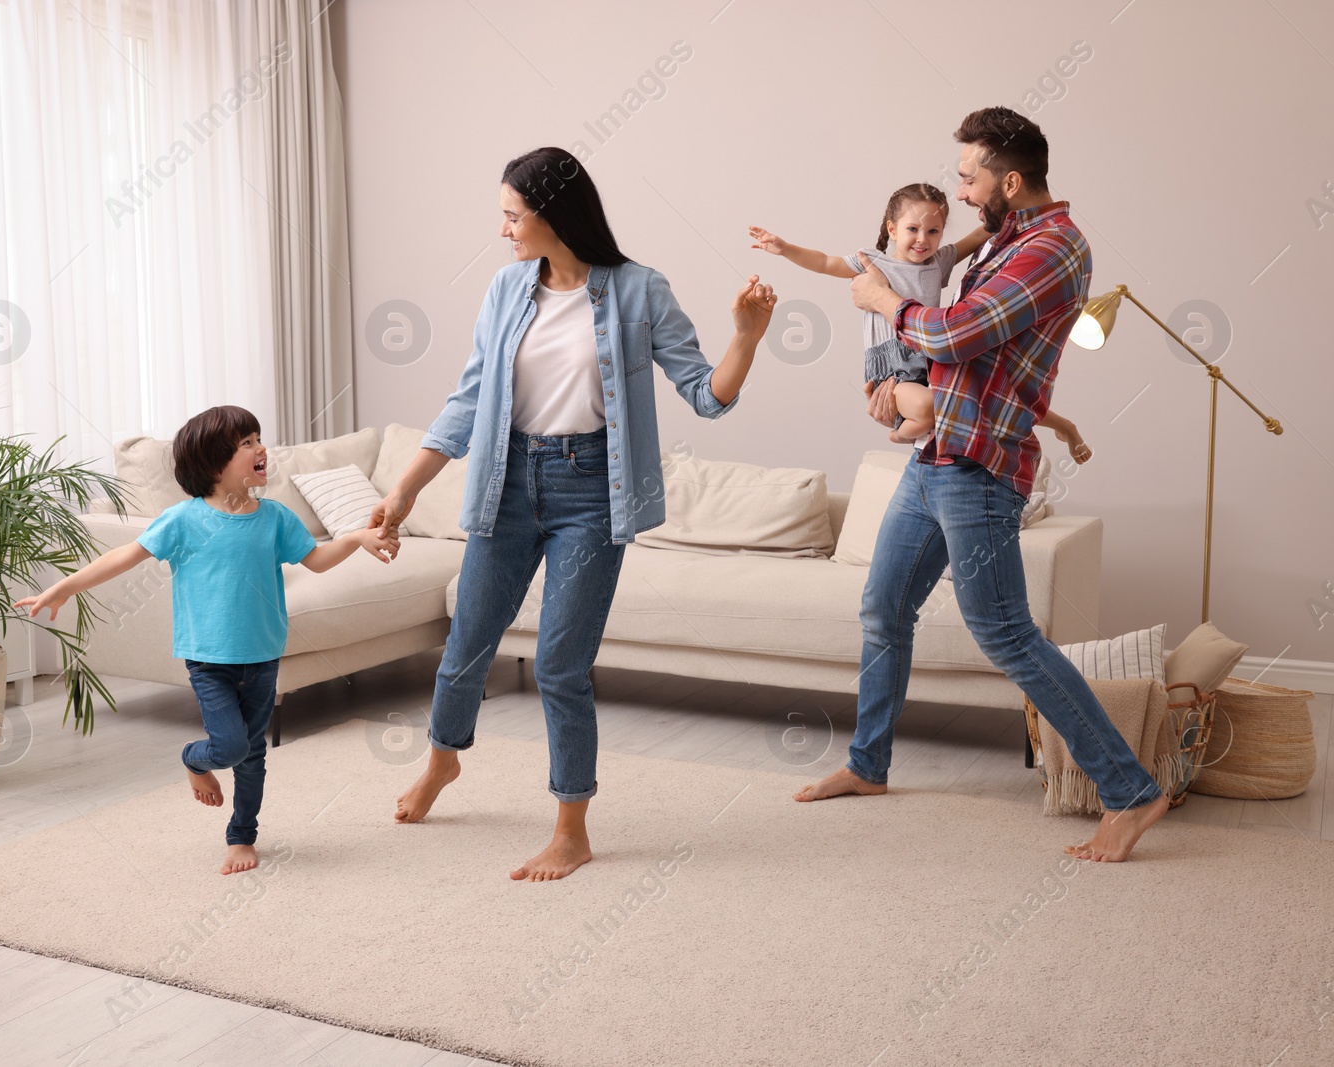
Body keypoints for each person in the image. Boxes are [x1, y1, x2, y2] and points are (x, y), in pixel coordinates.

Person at [370, 146, 777, 881]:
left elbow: (706, 396)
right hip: (507, 477)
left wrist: (745, 338)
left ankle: (570, 828)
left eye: (513, 216)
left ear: (554, 214)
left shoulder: (639, 290)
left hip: (591, 490)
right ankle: (441, 762)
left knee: (559, 663)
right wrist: (404, 489)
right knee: (466, 644)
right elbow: (469, 398)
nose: (504, 230)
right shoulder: (504, 289)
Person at [793, 107, 1167, 862]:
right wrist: (901, 394)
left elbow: (957, 331)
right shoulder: (1006, 237)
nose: (960, 191)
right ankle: (869, 765)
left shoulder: (1054, 247)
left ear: (1012, 180)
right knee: (884, 604)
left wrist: (884, 305)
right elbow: (953, 346)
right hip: (935, 455)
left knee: (1004, 632)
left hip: (981, 469)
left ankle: (1132, 791)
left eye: (969, 177)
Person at [16, 406, 398, 875]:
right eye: (247, 444)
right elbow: (124, 556)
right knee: (232, 747)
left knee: (252, 755)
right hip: (208, 659)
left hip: (263, 655)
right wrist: (63, 587)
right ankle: (193, 759)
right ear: (214, 463)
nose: (262, 449)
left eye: (259, 439)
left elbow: (316, 560)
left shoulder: (274, 517)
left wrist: (358, 537)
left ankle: (241, 836)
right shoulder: (183, 520)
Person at [749, 186, 1093, 463]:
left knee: (989, 397)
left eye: (933, 231)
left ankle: (1064, 425)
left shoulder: (938, 262)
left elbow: (977, 237)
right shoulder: (874, 262)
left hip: (931, 353)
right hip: (894, 367)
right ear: (892, 229)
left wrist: (1007, 210)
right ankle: (903, 433)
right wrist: (784, 248)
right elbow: (825, 262)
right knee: (930, 410)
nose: (922, 239)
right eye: (912, 229)